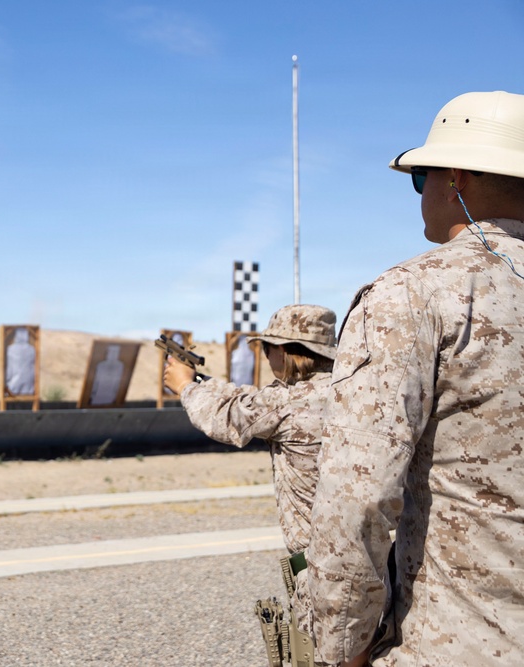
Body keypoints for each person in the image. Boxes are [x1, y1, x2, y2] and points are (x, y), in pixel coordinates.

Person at [307, 90, 524, 666]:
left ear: (454, 178)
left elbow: (358, 497)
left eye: (419, 179)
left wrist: (339, 648)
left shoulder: (412, 294)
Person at [164, 304, 337, 660]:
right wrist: (206, 383)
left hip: (319, 571)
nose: (265, 355)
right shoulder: (349, 392)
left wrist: (184, 386)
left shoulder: (288, 403)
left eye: (267, 347)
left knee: (316, 657)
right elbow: (251, 400)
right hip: (369, 563)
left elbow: (227, 417)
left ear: (287, 353)